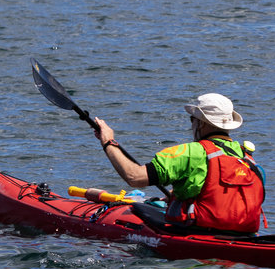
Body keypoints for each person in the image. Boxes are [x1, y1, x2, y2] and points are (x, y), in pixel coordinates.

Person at [92, 93, 265, 233]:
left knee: (139, 209)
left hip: (197, 233)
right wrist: (179, 194)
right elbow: (223, 191)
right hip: (244, 235)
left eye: (192, 120)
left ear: (201, 124)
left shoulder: (189, 153)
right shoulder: (247, 159)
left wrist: (108, 142)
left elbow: (134, 176)